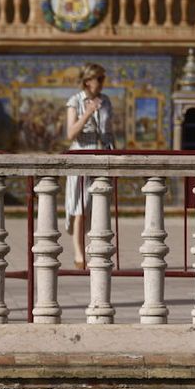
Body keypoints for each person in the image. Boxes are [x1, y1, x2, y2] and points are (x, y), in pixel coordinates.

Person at [63, 62, 116, 269]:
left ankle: (95, 249)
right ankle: (79, 254)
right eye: (99, 79)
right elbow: (70, 134)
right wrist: (87, 112)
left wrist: (116, 154)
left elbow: (109, 131)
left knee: (98, 206)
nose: (102, 83)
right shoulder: (74, 101)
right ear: (88, 81)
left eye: (103, 79)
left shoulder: (107, 101)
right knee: (79, 207)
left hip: (101, 156)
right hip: (81, 156)